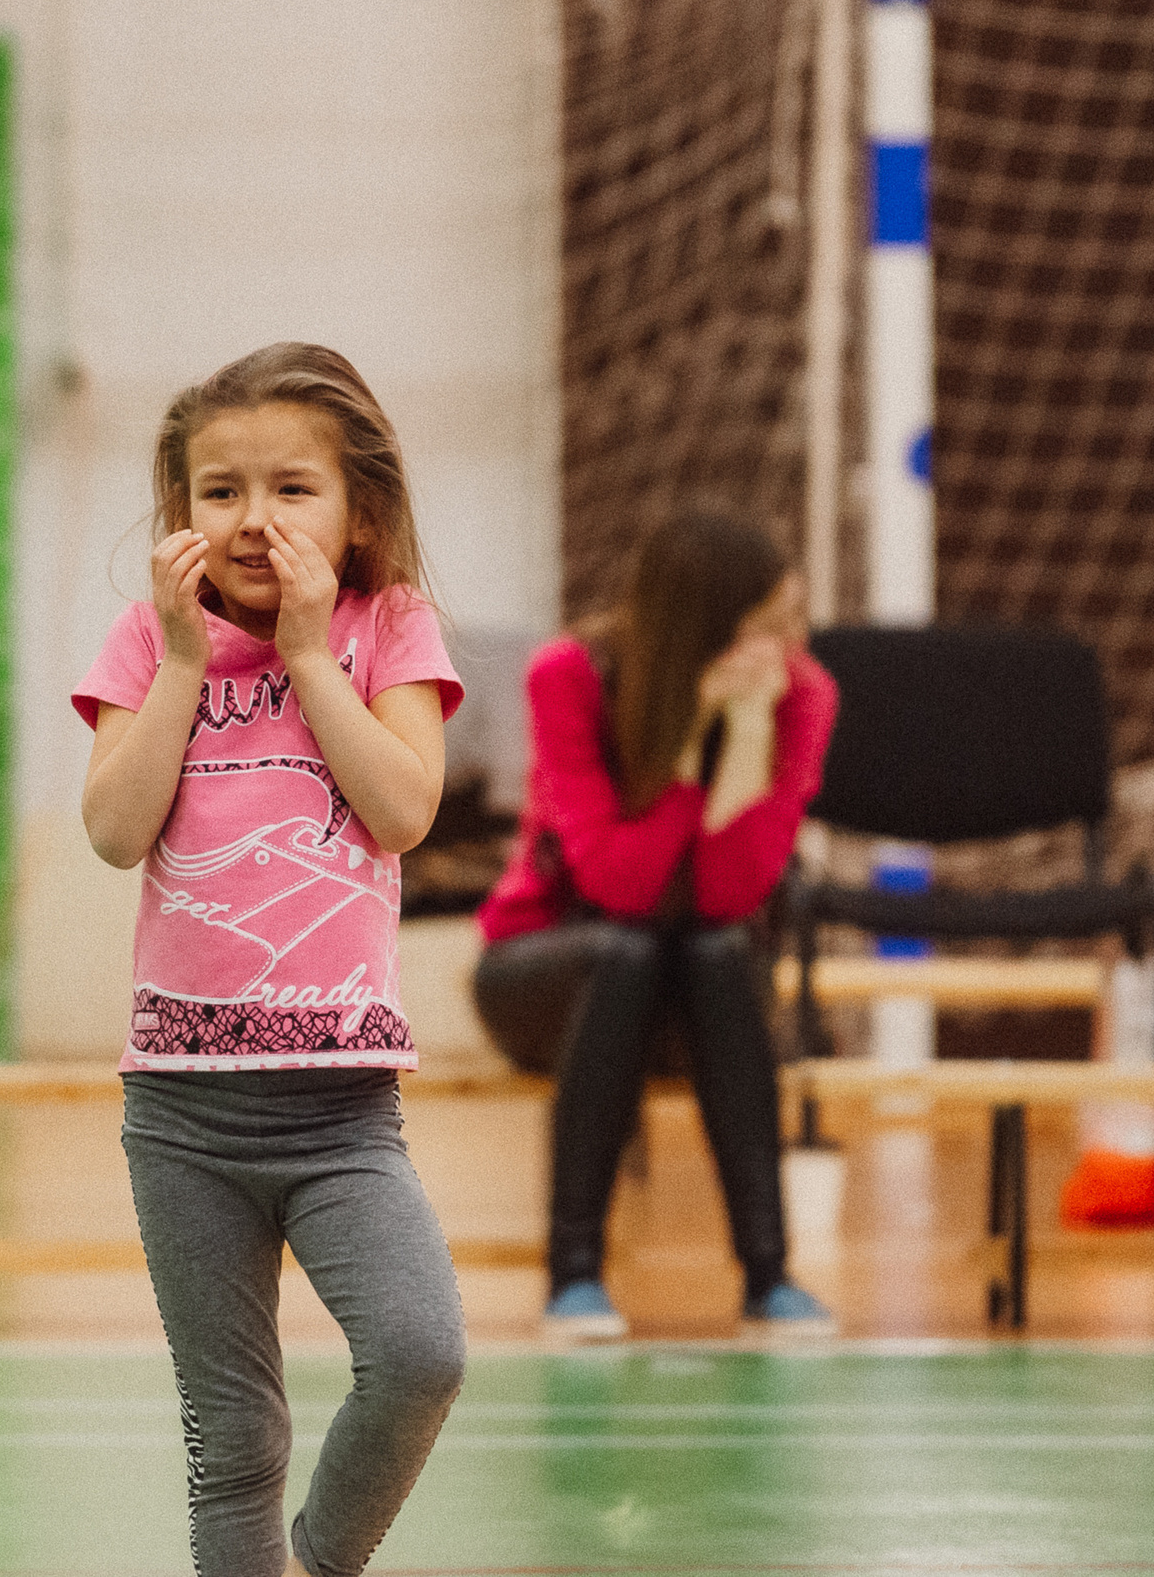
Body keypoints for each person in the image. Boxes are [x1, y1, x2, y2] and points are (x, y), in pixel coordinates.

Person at [75, 344, 467, 1577]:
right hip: (182, 1115)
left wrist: (305, 652)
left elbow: (402, 810)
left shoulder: (386, 628)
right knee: (234, 1435)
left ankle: (315, 1563)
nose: (253, 518)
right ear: (179, 510)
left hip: (341, 1114)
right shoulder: (147, 642)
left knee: (418, 1355)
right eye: (220, 490)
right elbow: (114, 831)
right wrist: (184, 663)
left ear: (360, 513)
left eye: (292, 489)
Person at [473, 509, 838, 1340]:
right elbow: (619, 883)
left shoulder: (803, 694)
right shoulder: (571, 673)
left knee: (715, 948)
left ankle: (770, 1276)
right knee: (630, 950)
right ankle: (574, 1275)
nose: (795, 642)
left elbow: (730, 896)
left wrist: (746, 731)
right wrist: (685, 746)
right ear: (706, 630)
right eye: (773, 623)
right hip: (543, 977)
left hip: (698, 990)